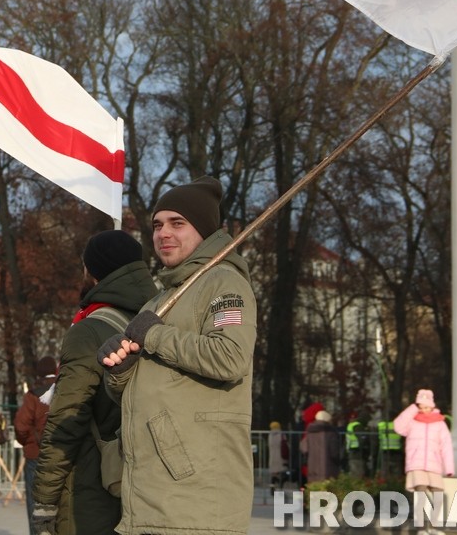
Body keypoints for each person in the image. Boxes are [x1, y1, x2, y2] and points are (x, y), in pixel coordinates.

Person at [99, 176, 258, 535]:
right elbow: (135, 394)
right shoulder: (159, 300)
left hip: (196, 503)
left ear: (203, 229)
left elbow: (230, 357)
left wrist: (154, 335)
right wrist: (120, 371)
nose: (163, 233)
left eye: (177, 223)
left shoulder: (224, 283)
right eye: (157, 225)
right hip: (150, 498)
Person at [31, 229, 157, 535]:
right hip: (151, 483)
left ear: (93, 271)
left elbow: (67, 418)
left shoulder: (90, 330)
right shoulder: (159, 319)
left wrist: (44, 500)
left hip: (91, 488)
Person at [394, 389, 453, 535]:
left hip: (434, 464)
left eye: (426, 407)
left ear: (432, 406)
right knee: (420, 496)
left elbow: (446, 446)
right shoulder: (412, 421)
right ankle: (421, 529)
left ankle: (434, 527)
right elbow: (398, 426)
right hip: (416, 464)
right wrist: (413, 408)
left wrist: (449, 468)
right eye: (421, 407)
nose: (424, 410)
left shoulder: (440, 423)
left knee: (438, 494)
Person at [15, 356, 55, 531]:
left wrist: (28, 442)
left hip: (36, 453)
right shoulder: (65, 389)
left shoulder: (33, 394)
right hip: (62, 453)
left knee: (35, 502)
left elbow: (21, 425)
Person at [301, 410, 340, 485]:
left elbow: (304, 448)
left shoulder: (310, 431)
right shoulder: (331, 433)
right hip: (328, 469)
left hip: (313, 469)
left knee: (314, 489)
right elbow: (334, 453)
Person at [345, 411, 367, 478]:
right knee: (357, 470)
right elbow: (362, 439)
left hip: (353, 451)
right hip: (356, 451)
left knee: (354, 470)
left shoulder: (351, 426)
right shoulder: (357, 426)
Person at [268, 422, 289, 490]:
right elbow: (285, 445)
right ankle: (280, 487)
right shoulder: (281, 434)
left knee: (274, 472)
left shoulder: (270, 435)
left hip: (272, 456)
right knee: (281, 472)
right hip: (280, 456)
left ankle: (272, 485)